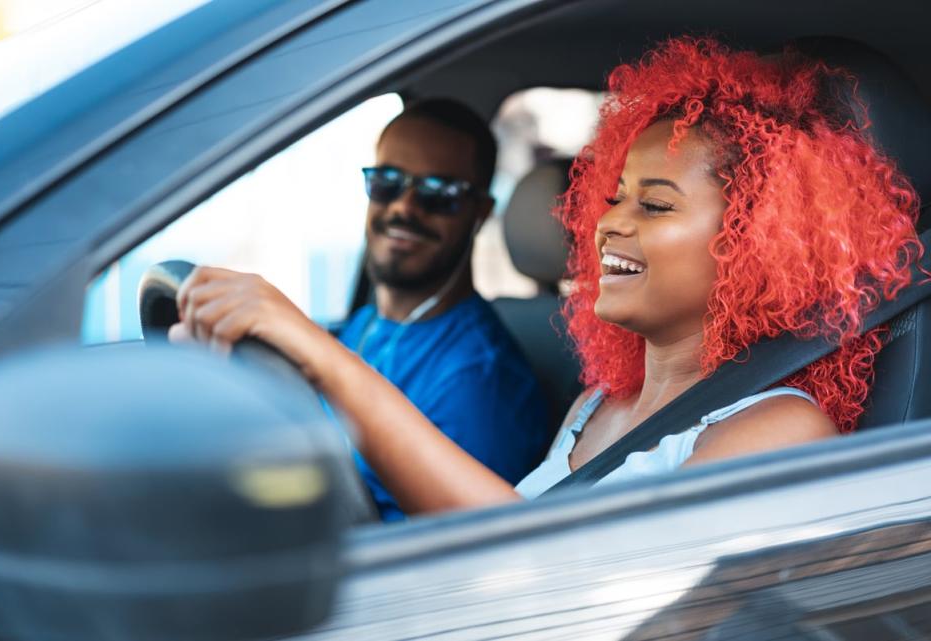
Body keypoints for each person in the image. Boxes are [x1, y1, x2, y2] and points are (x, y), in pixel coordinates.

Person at [171, 37, 921, 514]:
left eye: (655, 205)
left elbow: (556, 581)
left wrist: (324, 360)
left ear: (755, 242)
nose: (610, 223)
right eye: (615, 194)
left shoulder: (777, 429)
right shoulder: (600, 402)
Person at [178, 98, 552, 521]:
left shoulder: (479, 382)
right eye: (387, 182)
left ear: (479, 213)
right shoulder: (368, 323)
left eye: (438, 194)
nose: (403, 207)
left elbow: (456, 554)